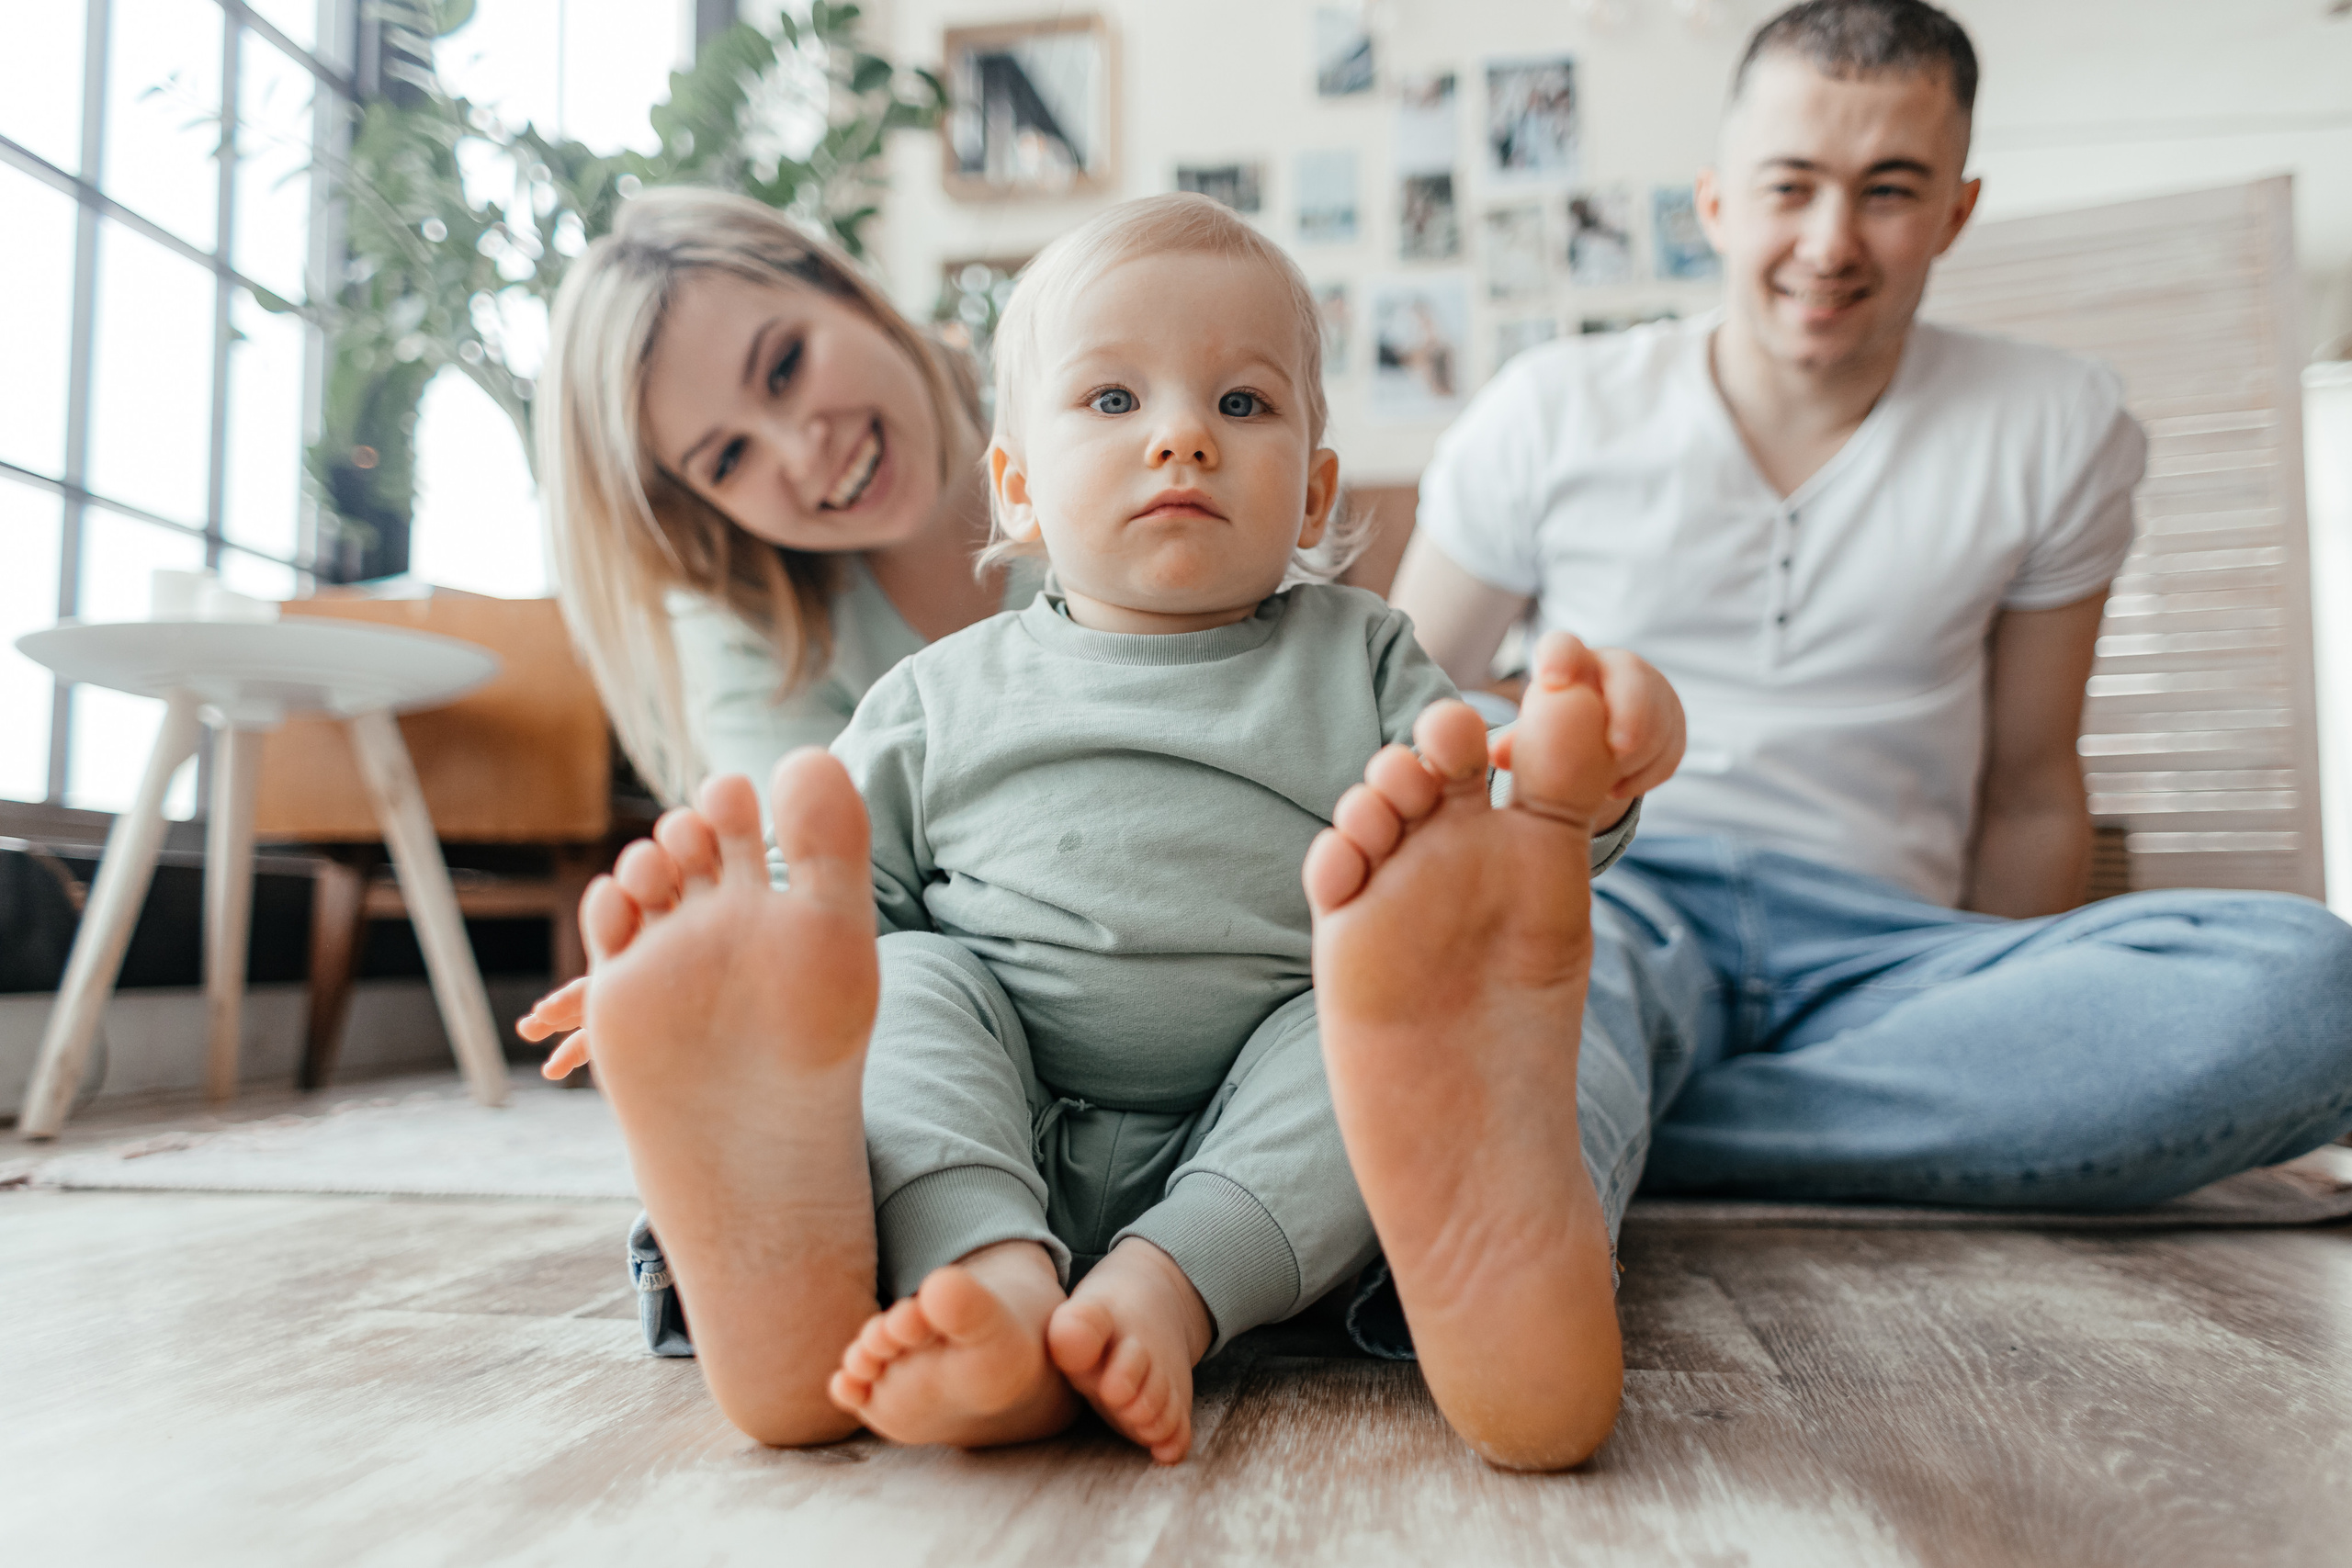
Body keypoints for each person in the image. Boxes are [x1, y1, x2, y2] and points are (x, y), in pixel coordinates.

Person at [526, 193, 1685, 1472]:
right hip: (1000, 1110)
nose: (1183, 435)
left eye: (1240, 402)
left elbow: (1494, 874)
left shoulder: (1365, 659)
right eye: (1115, 400)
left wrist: (1577, 788)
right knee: (909, 979)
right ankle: (986, 1284)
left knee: (1376, 1033)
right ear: (1019, 487)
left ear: (1313, 493)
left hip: (1262, 1136)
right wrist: (734, 965)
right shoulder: (930, 697)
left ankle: (1165, 1291)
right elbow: (834, 901)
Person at [1388, 0, 2352, 1218]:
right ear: (1716, 202)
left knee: (2314, 991)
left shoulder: (2058, 423)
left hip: (1885, 953)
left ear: (1957, 209)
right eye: (1789, 186)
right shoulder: (1545, 410)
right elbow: (1396, 719)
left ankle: (1645, 1131)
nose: (1830, 241)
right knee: (1543, 988)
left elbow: (2031, 787)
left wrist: (2008, 1008)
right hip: (1609, 897)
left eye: (1889, 190)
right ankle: (1627, 1128)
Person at [534, 186, 1032, 811]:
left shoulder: (1105, 443)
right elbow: (806, 861)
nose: (801, 455)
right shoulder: (749, 639)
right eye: (728, 459)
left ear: (843, 290)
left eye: (784, 367)